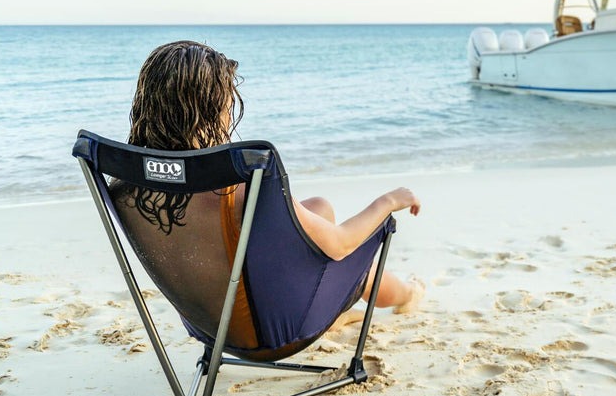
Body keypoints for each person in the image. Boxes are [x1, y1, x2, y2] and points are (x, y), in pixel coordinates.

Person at [120, 40, 424, 320]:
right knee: (350, 262)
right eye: (227, 102)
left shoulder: (132, 180)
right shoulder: (233, 179)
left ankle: (333, 311)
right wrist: (389, 201)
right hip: (272, 325)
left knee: (319, 207)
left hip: (209, 322)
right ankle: (410, 293)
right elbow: (340, 245)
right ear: (214, 110)